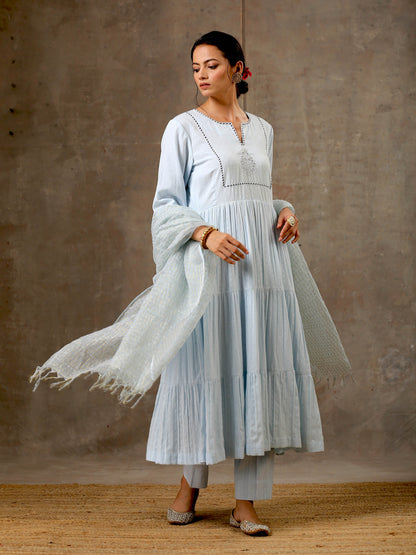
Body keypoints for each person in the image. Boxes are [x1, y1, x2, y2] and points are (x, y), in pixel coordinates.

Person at [31, 30, 351, 537]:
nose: (201, 75)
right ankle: (190, 486)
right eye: (195, 67)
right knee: (206, 370)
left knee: (257, 372)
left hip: (264, 271)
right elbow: (166, 206)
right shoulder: (182, 128)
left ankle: (246, 503)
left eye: (212, 65)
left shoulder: (263, 129)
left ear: (239, 69)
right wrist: (205, 234)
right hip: (211, 271)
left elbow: (255, 196)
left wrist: (286, 210)